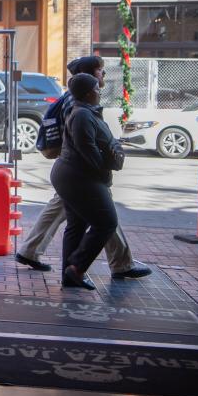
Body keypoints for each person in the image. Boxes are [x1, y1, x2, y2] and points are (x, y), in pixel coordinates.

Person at [15, 56, 151, 280]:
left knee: (70, 213)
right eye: (100, 71)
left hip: (72, 173)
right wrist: (102, 170)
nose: (103, 75)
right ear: (88, 77)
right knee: (105, 218)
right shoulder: (78, 107)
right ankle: (118, 263)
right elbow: (82, 144)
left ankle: (31, 251)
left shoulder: (76, 100)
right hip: (81, 173)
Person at [51, 73, 127, 289]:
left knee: (77, 224)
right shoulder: (82, 115)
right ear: (86, 93)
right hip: (80, 178)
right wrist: (109, 165)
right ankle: (76, 267)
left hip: (73, 175)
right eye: (96, 88)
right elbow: (89, 152)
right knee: (106, 222)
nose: (99, 91)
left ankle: (70, 276)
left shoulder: (85, 113)